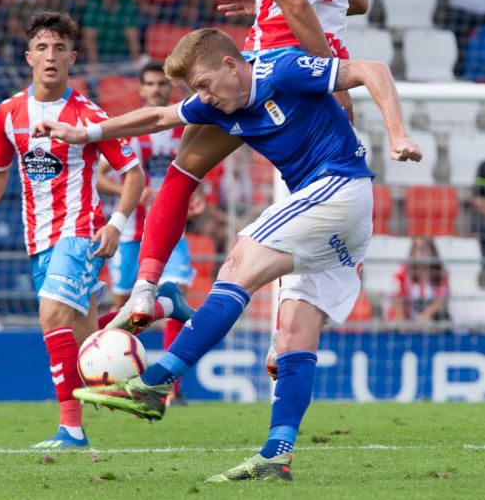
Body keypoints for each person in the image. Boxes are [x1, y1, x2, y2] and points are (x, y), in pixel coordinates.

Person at [33, 27, 422, 481]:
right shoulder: (218, 99)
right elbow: (159, 118)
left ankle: (157, 380)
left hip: (338, 188)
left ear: (231, 66)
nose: (203, 98)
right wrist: (85, 134)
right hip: (342, 228)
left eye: (204, 84)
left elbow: (371, 69)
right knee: (294, 331)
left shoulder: (284, 69)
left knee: (238, 264)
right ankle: (277, 455)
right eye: (195, 90)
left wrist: (397, 136)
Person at [103, 0, 369, 337]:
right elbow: (355, 1)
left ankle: (147, 287)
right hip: (320, 67)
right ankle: (287, 334)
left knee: (183, 169)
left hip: (276, 72)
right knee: (312, 193)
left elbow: (293, 3)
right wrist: (268, 8)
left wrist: (325, 74)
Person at [0, 11, 147, 449]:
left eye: (59, 49)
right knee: (88, 341)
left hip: (81, 231)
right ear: (29, 56)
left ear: (73, 57)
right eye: (42, 48)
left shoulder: (87, 116)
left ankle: (70, 428)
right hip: (38, 238)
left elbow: (134, 173)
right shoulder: (8, 113)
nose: (51, 56)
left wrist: (116, 222)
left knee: (51, 317)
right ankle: (161, 311)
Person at [97, 61, 197, 406]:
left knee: (177, 296)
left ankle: (172, 387)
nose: (156, 89)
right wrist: (132, 193)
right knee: (127, 309)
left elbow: (193, 172)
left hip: (171, 230)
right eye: (150, 84)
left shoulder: (181, 130)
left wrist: (193, 200)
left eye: (160, 84)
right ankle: (110, 369)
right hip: (130, 233)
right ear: (141, 90)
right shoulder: (132, 130)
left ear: (168, 89)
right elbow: (100, 178)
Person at [81, 0, 141, 68]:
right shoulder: (92, 4)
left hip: (123, 57)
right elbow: (90, 39)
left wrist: (136, 64)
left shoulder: (128, 4)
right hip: (99, 58)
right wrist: (94, 65)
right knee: (92, 81)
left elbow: (133, 39)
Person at [389, 237, 449, 322]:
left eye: (424, 247)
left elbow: (441, 300)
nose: (421, 252)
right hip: (407, 323)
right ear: (413, 251)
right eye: (417, 248)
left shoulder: (440, 273)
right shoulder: (402, 271)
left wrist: (426, 316)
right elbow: (397, 299)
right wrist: (403, 324)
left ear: (432, 250)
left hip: (430, 324)